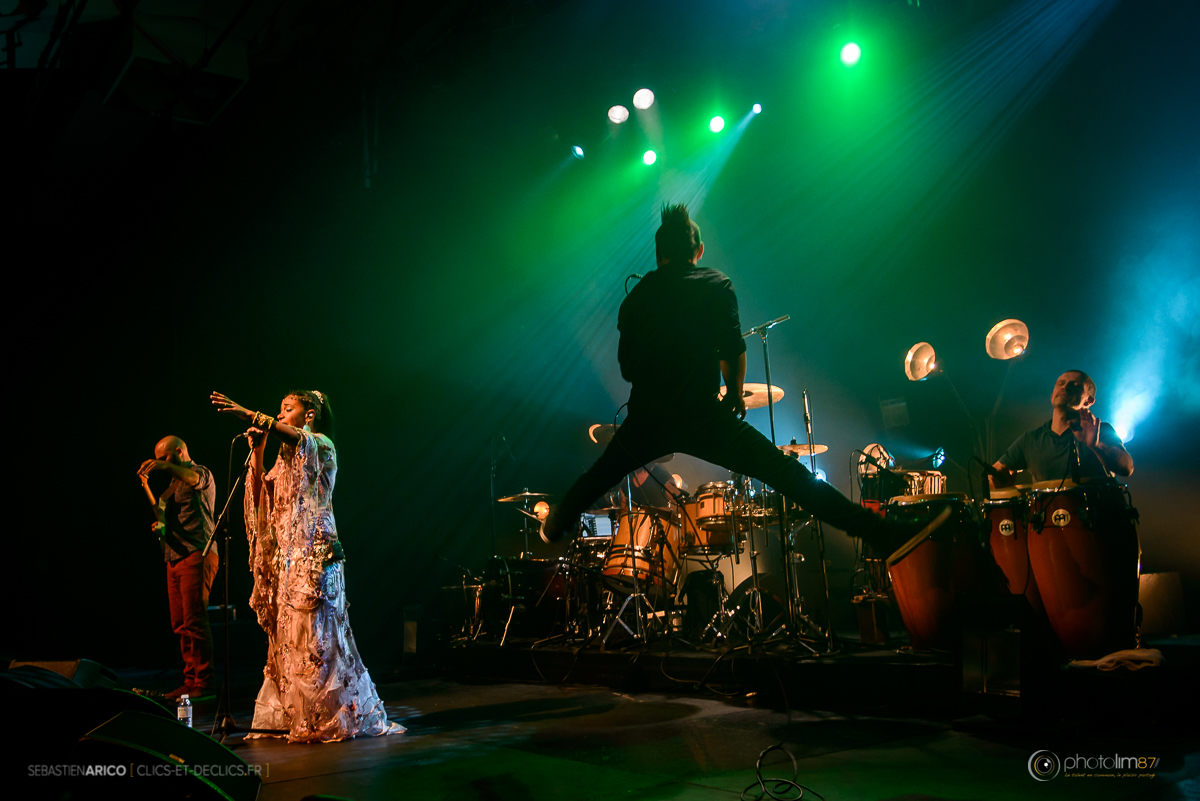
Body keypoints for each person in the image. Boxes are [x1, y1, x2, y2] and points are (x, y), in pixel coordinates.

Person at [540, 204, 925, 552]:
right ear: (698, 251)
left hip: (648, 418)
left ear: (659, 254)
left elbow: (627, 368)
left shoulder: (636, 299)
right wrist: (736, 394)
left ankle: (556, 523)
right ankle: (878, 532)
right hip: (704, 416)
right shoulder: (716, 285)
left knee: (598, 477)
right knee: (787, 475)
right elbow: (732, 349)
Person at [210, 388, 402, 743]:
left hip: (317, 558)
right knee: (290, 639)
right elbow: (262, 499)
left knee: (318, 639)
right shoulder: (284, 461)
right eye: (279, 410)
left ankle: (329, 716)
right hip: (289, 559)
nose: (280, 415)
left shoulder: (321, 445)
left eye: (287, 408)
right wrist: (258, 450)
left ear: (309, 414)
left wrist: (250, 414)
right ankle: (300, 715)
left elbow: (299, 439)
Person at [137, 436, 219, 700]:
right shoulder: (170, 488)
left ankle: (204, 683)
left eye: (164, 458)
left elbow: (194, 480)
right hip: (174, 556)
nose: (160, 463)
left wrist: (165, 467)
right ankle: (190, 680)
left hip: (197, 552)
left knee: (195, 620)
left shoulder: (199, 473)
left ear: (180, 452)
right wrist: (146, 486)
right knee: (180, 623)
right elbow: (160, 513)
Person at [991, 370, 1134, 486]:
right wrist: (996, 479)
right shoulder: (1030, 440)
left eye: (1075, 386)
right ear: (1052, 395)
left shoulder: (1100, 430)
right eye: (1061, 383)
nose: (1065, 387)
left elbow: (1127, 468)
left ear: (1088, 401)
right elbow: (993, 476)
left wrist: (1096, 446)